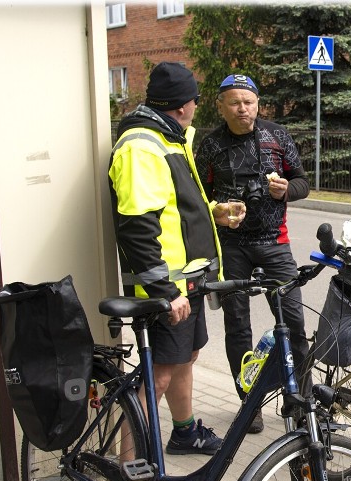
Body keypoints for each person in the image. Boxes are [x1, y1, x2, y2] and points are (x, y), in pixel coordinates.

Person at [109, 62, 241, 456]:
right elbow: (136, 226)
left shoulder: (169, 138)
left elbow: (171, 210)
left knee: (187, 356)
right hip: (167, 288)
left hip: (188, 282)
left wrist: (213, 212)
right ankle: (126, 476)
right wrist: (165, 291)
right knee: (158, 376)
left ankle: (184, 432)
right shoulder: (140, 146)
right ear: (186, 104)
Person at [195, 74, 311, 434]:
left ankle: (302, 399)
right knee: (237, 326)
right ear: (221, 106)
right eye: (234, 101)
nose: (242, 108)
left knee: (294, 321)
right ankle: (250, 402)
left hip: (275, 242)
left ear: (258, 104)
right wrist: (216, 209)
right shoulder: (211, 144)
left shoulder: (277, 135)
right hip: (232, 246)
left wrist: (284, 191)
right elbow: (198, 196)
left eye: (248, 101)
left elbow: (303, 182)